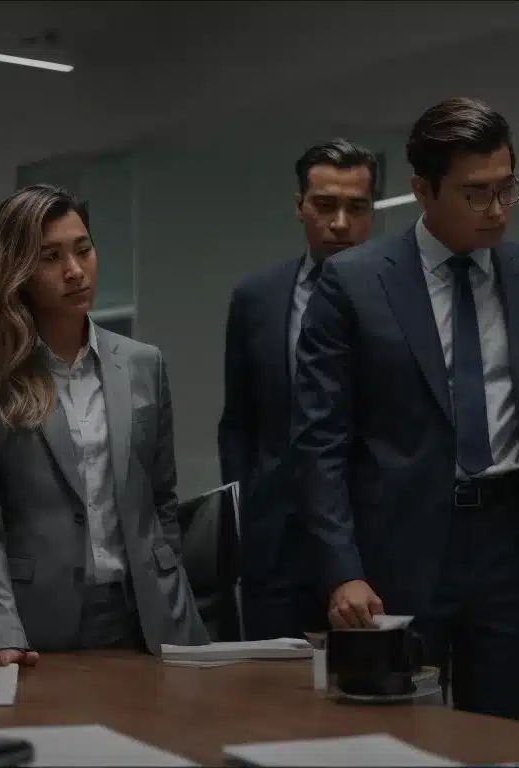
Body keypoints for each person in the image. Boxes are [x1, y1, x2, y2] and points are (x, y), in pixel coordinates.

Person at [294, 97, 519, 724]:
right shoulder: (353, 284)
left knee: (512, 732)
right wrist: (341, 572)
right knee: (394, 731)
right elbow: (320, 443)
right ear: (422, 191)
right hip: (396, 551)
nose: (496, 210)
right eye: (474, 194)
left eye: (505, 189)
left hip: (512, 543)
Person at [0, 184, 209, 664]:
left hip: (152, 613)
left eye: (83, 250)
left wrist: (167, 578)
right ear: (20, 271)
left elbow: (162, 499)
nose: (74, 270)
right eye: (50, 257)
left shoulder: (142, 363)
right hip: (38, 620)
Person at [220, 139, 380, 642]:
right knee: (270, 697)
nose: (339, 223)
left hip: (370, 536)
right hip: (277, 541)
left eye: (355, 208)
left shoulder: (402, 297)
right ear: (299, 206)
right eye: (324, 205)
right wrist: (248, 519)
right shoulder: (257, 298)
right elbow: (240, 422)